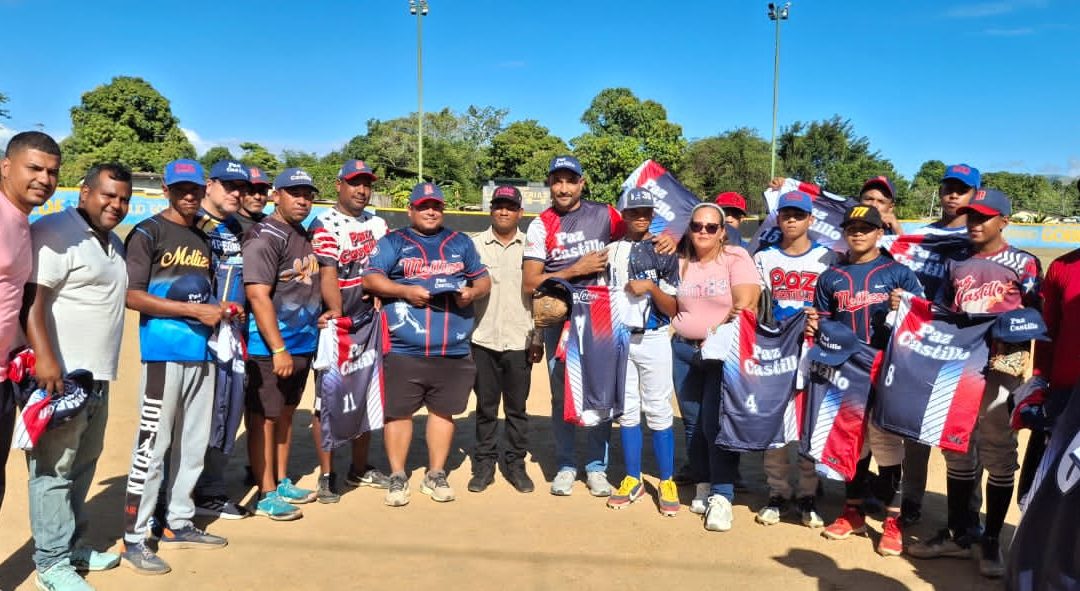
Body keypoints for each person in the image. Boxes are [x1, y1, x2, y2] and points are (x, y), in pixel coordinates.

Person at [908, 189, 1042, 578]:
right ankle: (959, 532)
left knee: (999, 449)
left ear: (1004, 221)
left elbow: (1038, 316)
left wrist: (1013, 338)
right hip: (961, 364)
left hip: (1003, 364)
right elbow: (945, 314)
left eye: (984, 217)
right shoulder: (956, 262)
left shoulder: (1025, 263)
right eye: (971, 216)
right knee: (956, 446)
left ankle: (991, 540)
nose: (976, 223)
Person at [21, 163, 130, 590]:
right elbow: (33, 301)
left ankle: (69, 546)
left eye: (122, 198)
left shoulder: (112, 243)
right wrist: (46, 361)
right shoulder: (55, 231)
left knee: (83, 465)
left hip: (96, 378)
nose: (116, 205)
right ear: (84, 192)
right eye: (108, 195)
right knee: (53, 470)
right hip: (59, 378)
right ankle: (50, 565)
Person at [119, 159, 230, 575]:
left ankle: (179, 521)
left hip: (203, 352)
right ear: (166, 187)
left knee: (194, 442)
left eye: (195, 188)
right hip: (163, 352)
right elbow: (133, 296)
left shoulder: (204, 235)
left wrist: (219, 310)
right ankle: (134, 536)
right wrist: (190, 311)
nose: (189, 195)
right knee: (153, 446)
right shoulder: (148, 232)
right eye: (181, 188)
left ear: (203, 189)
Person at [363, 182, 491, 507]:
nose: (430, 211)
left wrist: (471, 293)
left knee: (443, 412)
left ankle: (435, 474)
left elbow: (483, 279)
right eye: (423, 206)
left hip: (453, 347)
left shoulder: (459, 242)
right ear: (411, 210)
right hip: (405, 347)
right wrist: (405, 291)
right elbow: (371, 278)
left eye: (435, 205)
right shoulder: (394, 241)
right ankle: (397, 475)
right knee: (398, 413)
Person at [812, 204, 922, 557]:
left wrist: (905, 304)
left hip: (888, 368)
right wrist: (815, 325)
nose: (857, 233)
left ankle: (892, 520)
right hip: (847, 370)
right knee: (852, 443)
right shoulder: (831, 277)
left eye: (865, 227)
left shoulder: (898, 273)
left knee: (887, 445)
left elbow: (923, 319)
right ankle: (853, 511)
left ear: (879, 233)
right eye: (851, 227)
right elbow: (824, 323)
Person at [521, 155, 624, 497]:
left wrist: (666, 238)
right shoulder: (541, 224)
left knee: (601, 392)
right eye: (557, 180)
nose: (563, 187)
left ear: (582, 183)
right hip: (560, 318)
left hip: (600, 316)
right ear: (549, 184)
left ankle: (596, 467)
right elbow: (530, 282)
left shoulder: (606, 214)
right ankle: (566, 464)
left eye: (570, 180)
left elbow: (638, 231)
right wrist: (574, 269)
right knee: (560, 393)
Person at [900, 163, 982, 527]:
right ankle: (911, 502)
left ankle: (967, 513)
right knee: (914, 431)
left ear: (975, 194)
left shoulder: (979, 239)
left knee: (959, 432)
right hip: (919, 342)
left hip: (962, 347)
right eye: (948, 187)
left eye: (961, 189)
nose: (952, 194)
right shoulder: (922, 236)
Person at [670, 202, 760, 531]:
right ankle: (704, 484)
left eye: (711, 227)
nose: (703, 232)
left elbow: (747, 302)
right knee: (693, 423)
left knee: (716, 425)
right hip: (682, 350)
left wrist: (717, 334)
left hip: (722, 353)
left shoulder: (736, 258)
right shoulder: (680, 261)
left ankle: (723, 496)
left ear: (722, 231)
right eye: (697, 226)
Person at [751, 190, 837, 528]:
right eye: (786, 213)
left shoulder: (828, 258)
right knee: (775, 422)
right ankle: (777, 492)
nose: (791, 220)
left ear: (810, 220)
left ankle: (808, 494)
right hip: (777, 348)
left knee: (808, 424)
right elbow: (755, 305)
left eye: (798, 215)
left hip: (814, 349)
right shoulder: (765, 257)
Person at [243, 167, 325, 521]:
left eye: (307, 194)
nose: (302, 200)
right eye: (294, 193)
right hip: (270, 348)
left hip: (302, 342)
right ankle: (265, 493)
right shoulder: (265, 236)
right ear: (277, 195)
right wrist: (277, 348)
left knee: (287, 415)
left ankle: (281, 478)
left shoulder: (302, 234)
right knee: (264, 419)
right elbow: (258, 295)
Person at [307, 159, 390, 502]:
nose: (362, 189)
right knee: (325, 398)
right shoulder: (324, 222)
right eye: (355, 183)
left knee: (365, 391)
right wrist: (336, 314)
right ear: (339, 185)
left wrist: (382, 294)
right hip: (335, 323)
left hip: (368, 322)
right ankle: (328, 474)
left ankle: (360, 466)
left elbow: (385, 268)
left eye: (367, 183)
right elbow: (328, 271)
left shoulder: (378, 223)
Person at [602, 187, 681, 515]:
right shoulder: (609, 252)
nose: (641, 216)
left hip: (654, 336)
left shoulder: (664, 249)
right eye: (634, 212)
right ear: (623, 214)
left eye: (646, 211)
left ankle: (666, 480)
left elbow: (674, 305)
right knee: (628, 409)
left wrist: (650, 287)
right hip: (620, 338)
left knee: (659, 408)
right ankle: (632, 478)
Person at [0, 131, 61, 513]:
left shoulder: (23, 221)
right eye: (34, 168)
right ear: (6, 167)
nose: (44, 179)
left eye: (52, 172)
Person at [191, 159, 252, 520]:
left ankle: (211, 491)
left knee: (227, 413)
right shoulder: (189, 224)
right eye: (228, 185)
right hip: (196, 337)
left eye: (240, 187)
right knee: (192, 419)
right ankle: (173, 495)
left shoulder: (234, 227)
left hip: (232, 339)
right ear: (210, 184)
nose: (236, 193)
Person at [467, 185, 535, 494]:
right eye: (498, 205)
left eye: (510, 206)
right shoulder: (474, 245)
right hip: (482, 339)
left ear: (520, 212)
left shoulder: (532, 248)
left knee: (517, 408)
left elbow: (541, 298)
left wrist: (539, 338)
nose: (503, 211)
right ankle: (484, 464)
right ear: (491, 209)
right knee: (485, 407)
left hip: (520, 340)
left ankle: (515, 463)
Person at [235, 166, 270, 235]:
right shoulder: (228, 223)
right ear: (239, 192)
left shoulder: (272, 223)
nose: (257, 197)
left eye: (262, 191)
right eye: (251, 191)